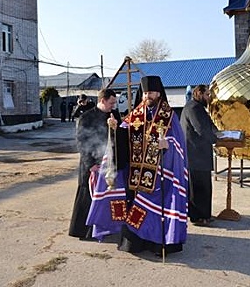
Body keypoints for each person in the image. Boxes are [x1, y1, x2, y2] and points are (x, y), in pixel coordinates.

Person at [87, 76, 189, 256]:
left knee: (157, 210)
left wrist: (168, 144)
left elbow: (178, 143)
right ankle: (136, 244)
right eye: (145, 92)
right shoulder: (136, 114)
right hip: (135, 173)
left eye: (151, 92)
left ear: (159, 93)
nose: (147, 95)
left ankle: (160, 243)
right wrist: (115, 128)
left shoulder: (169, 115)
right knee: (136, 208)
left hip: (160, 173)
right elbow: (123, 136)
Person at [68, 89, 122, 240]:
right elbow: (81, 142)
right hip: (91, 164)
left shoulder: (114, 115)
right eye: (111, 103)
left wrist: (118, 127)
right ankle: (83, 231)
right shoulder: (86, 117)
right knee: (87, 197)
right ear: (103, 100)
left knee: (105, 196)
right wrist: (90, 164)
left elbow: (121, 135)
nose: (113, 106)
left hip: (109, 164)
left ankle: (104, 228)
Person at [180, 84, 219, 226]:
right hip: (195, 154)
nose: (209, 98)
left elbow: (209, 125)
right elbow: (202, 130)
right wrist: (217, 139)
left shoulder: (197, 107)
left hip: (198, 154)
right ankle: (199, 217)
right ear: (200, 94)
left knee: (203, 186)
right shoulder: (194, 108)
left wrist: (220, 133)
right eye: (207, 95)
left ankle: (204, 215)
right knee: (198, 188)